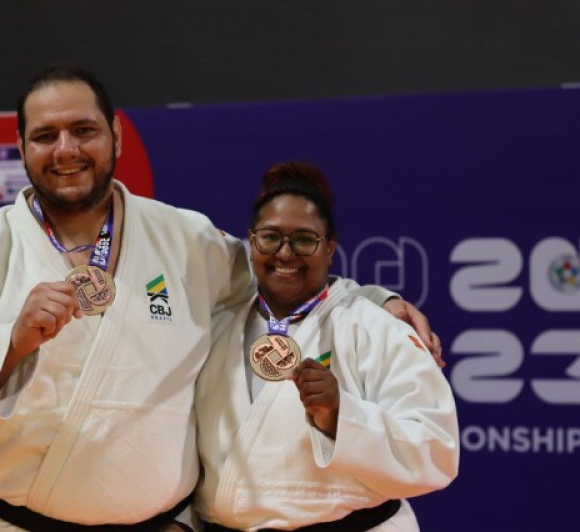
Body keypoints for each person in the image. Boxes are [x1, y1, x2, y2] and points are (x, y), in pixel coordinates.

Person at [0, 65, 442, 531]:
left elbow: (282, 274)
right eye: (46, 136)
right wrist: (10, 345)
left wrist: (375, 298)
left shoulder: (184, 239)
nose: (66, 149)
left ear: (116, 137)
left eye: (84, 130)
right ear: (22, 147)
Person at [194, 162, 459, 531]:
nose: (285, 253)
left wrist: (341, 416)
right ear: (250, 243)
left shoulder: (377, 327)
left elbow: (437, 452)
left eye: (304, 240)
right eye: (270, 237)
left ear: (330, 248)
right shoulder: (217, 323)